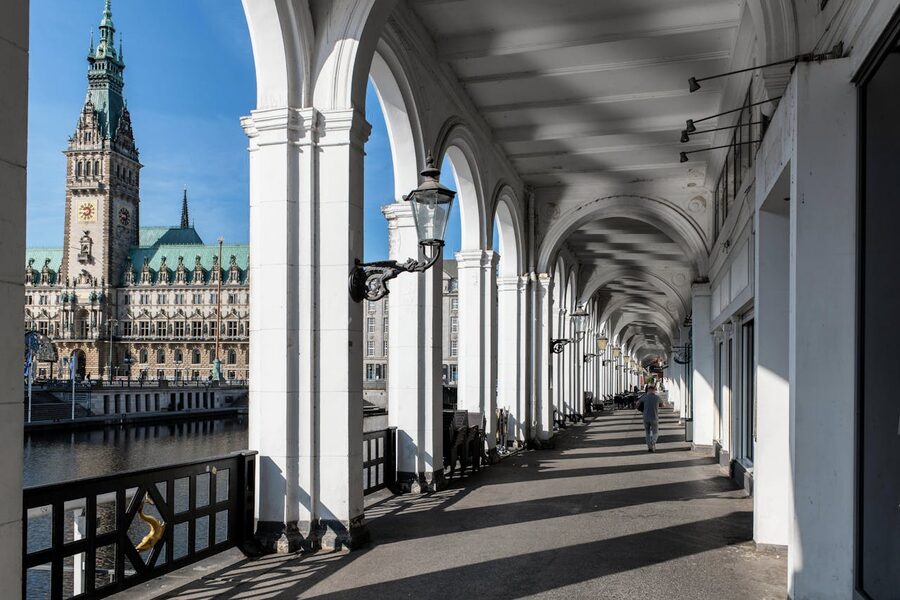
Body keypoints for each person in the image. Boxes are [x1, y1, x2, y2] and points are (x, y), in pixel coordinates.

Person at [637, 383, 661, 452]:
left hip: (646, 417)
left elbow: (637, 404)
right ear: (654, 390)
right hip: (654, 417)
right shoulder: (657, 397)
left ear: (648, 390)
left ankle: (649, 447)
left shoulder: (644, 397)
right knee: (655, 432)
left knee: (647, 432)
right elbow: (663, 405)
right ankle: (653, 442)